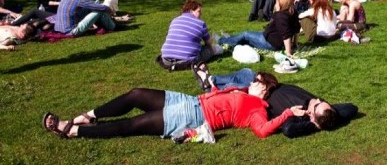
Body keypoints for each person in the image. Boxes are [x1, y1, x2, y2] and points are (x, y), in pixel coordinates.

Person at [42, 72, 305, 139]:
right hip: (189, 100)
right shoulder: (243, 90)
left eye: (258, 81)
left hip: (193, 117)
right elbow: (218, 95)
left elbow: (262, 130)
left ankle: (72, 131)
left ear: (266, 89)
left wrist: (286, 114)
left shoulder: (258, 108)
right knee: (136, 94)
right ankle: (88, 116)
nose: (253, 81)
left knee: (131, 126)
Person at [194, 67, 357, 138]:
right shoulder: (318, 105)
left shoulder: (300, 113)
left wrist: (314, 124)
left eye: (317, 105)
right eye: (321, 100)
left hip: (258, 95)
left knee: (236, 87)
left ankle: (210, 83)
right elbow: (352, 107)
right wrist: (325, 109)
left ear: (312, 116)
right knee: (247, 73)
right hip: (269, 83)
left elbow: (288, 129)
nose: (317, 100)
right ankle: (212, 82)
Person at [220, 0, 300, 58]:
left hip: (270, 43)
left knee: (245, 34)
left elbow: (286, 35)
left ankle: (222, 41)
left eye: (276, 3)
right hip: (272, 39)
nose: (275, 5)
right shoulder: (293, 13)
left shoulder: (280, 16)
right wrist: (295, 43)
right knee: (249, 37)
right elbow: (297, 29)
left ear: (280, 4)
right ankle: (232, 38)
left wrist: (288, 52)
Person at [158, 0, 219, 70]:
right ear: (190, 11)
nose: (201, 13)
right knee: (209, 49)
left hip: (166, 60)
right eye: (199, 11)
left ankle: (175, 62)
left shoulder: (174, 20)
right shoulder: (200, 23)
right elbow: (208, 43)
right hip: (187, 61)